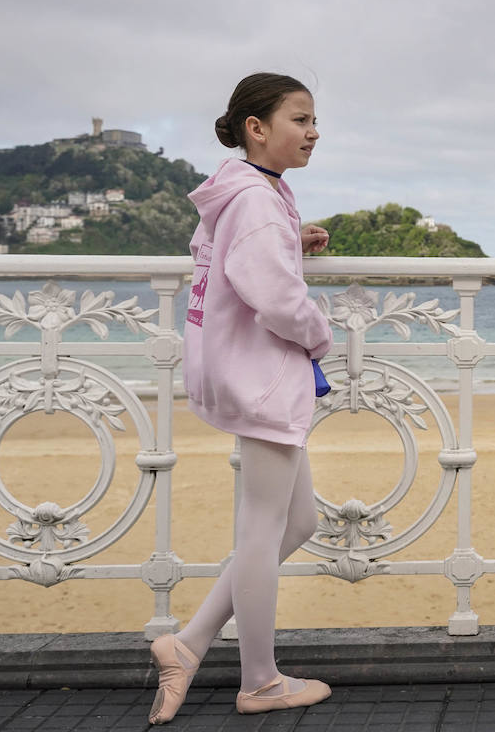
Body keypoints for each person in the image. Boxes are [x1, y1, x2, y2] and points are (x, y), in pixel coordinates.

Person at [148, 72, 334, 724]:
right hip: (261, 375)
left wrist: (294, 239)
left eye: (315, 122)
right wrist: (321, 334)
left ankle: (189, 642)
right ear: (257, 128)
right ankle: (259, 681)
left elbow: (241, 259)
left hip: (244, 372)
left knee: (297, 521)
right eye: (300, 119)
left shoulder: (250, 194)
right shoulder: (256, 201)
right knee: (262, 529)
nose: (313, 133)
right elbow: (278, 299)